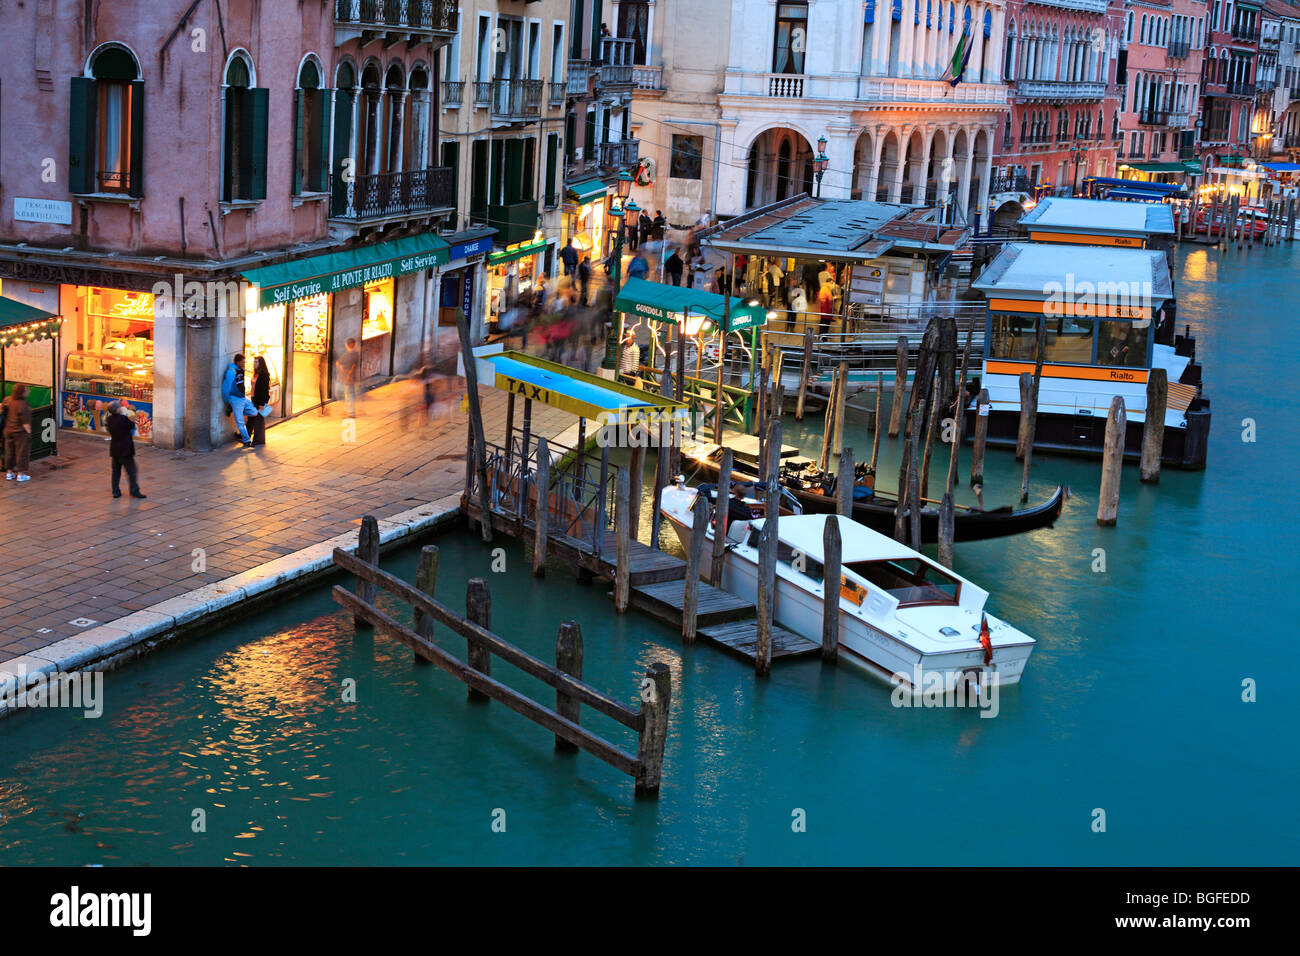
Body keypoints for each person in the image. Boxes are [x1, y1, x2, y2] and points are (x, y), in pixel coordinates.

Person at [106, 400, 146, 499]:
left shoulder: (109, 420)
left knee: (116, 472)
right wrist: (125, 415)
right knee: (131, 471)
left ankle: (115, 491)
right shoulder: (123, 419)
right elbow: (131, 425)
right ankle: (134, 491)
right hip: (125, 449)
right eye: (119, 407)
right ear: (117, 409)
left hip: (115, 449)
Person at [220, 353, 257, 447]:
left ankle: (234, 410)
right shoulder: (231, 372)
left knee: (254, 412)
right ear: (238, 362)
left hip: (242, 398)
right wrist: (228, 399)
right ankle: (247, 440)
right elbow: (226, 387)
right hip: (235, 399)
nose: (244, 363)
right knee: (240, 421)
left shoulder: (240, 370)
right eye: (243, 361)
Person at [3, 383, 33, 483]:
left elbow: (2, 407)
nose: (28, 391)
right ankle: (21, 474)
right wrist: (29, 433)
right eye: (26, 390)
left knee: (9, 452)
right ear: (22, 393)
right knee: (21, 453)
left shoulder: (8, 399)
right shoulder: (23, 405)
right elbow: (25, 424)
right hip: (20, 433)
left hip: (8, 430)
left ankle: (9, 473)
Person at [336, 337, 361, 417]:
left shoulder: (351, 355)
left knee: (348, 394)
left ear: (347, 345)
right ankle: (350, 410)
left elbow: (340, 363)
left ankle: (351, 412)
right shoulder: (354, 354)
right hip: (347, 377)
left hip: (347, 377)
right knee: (349, 394)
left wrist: (348, 375)